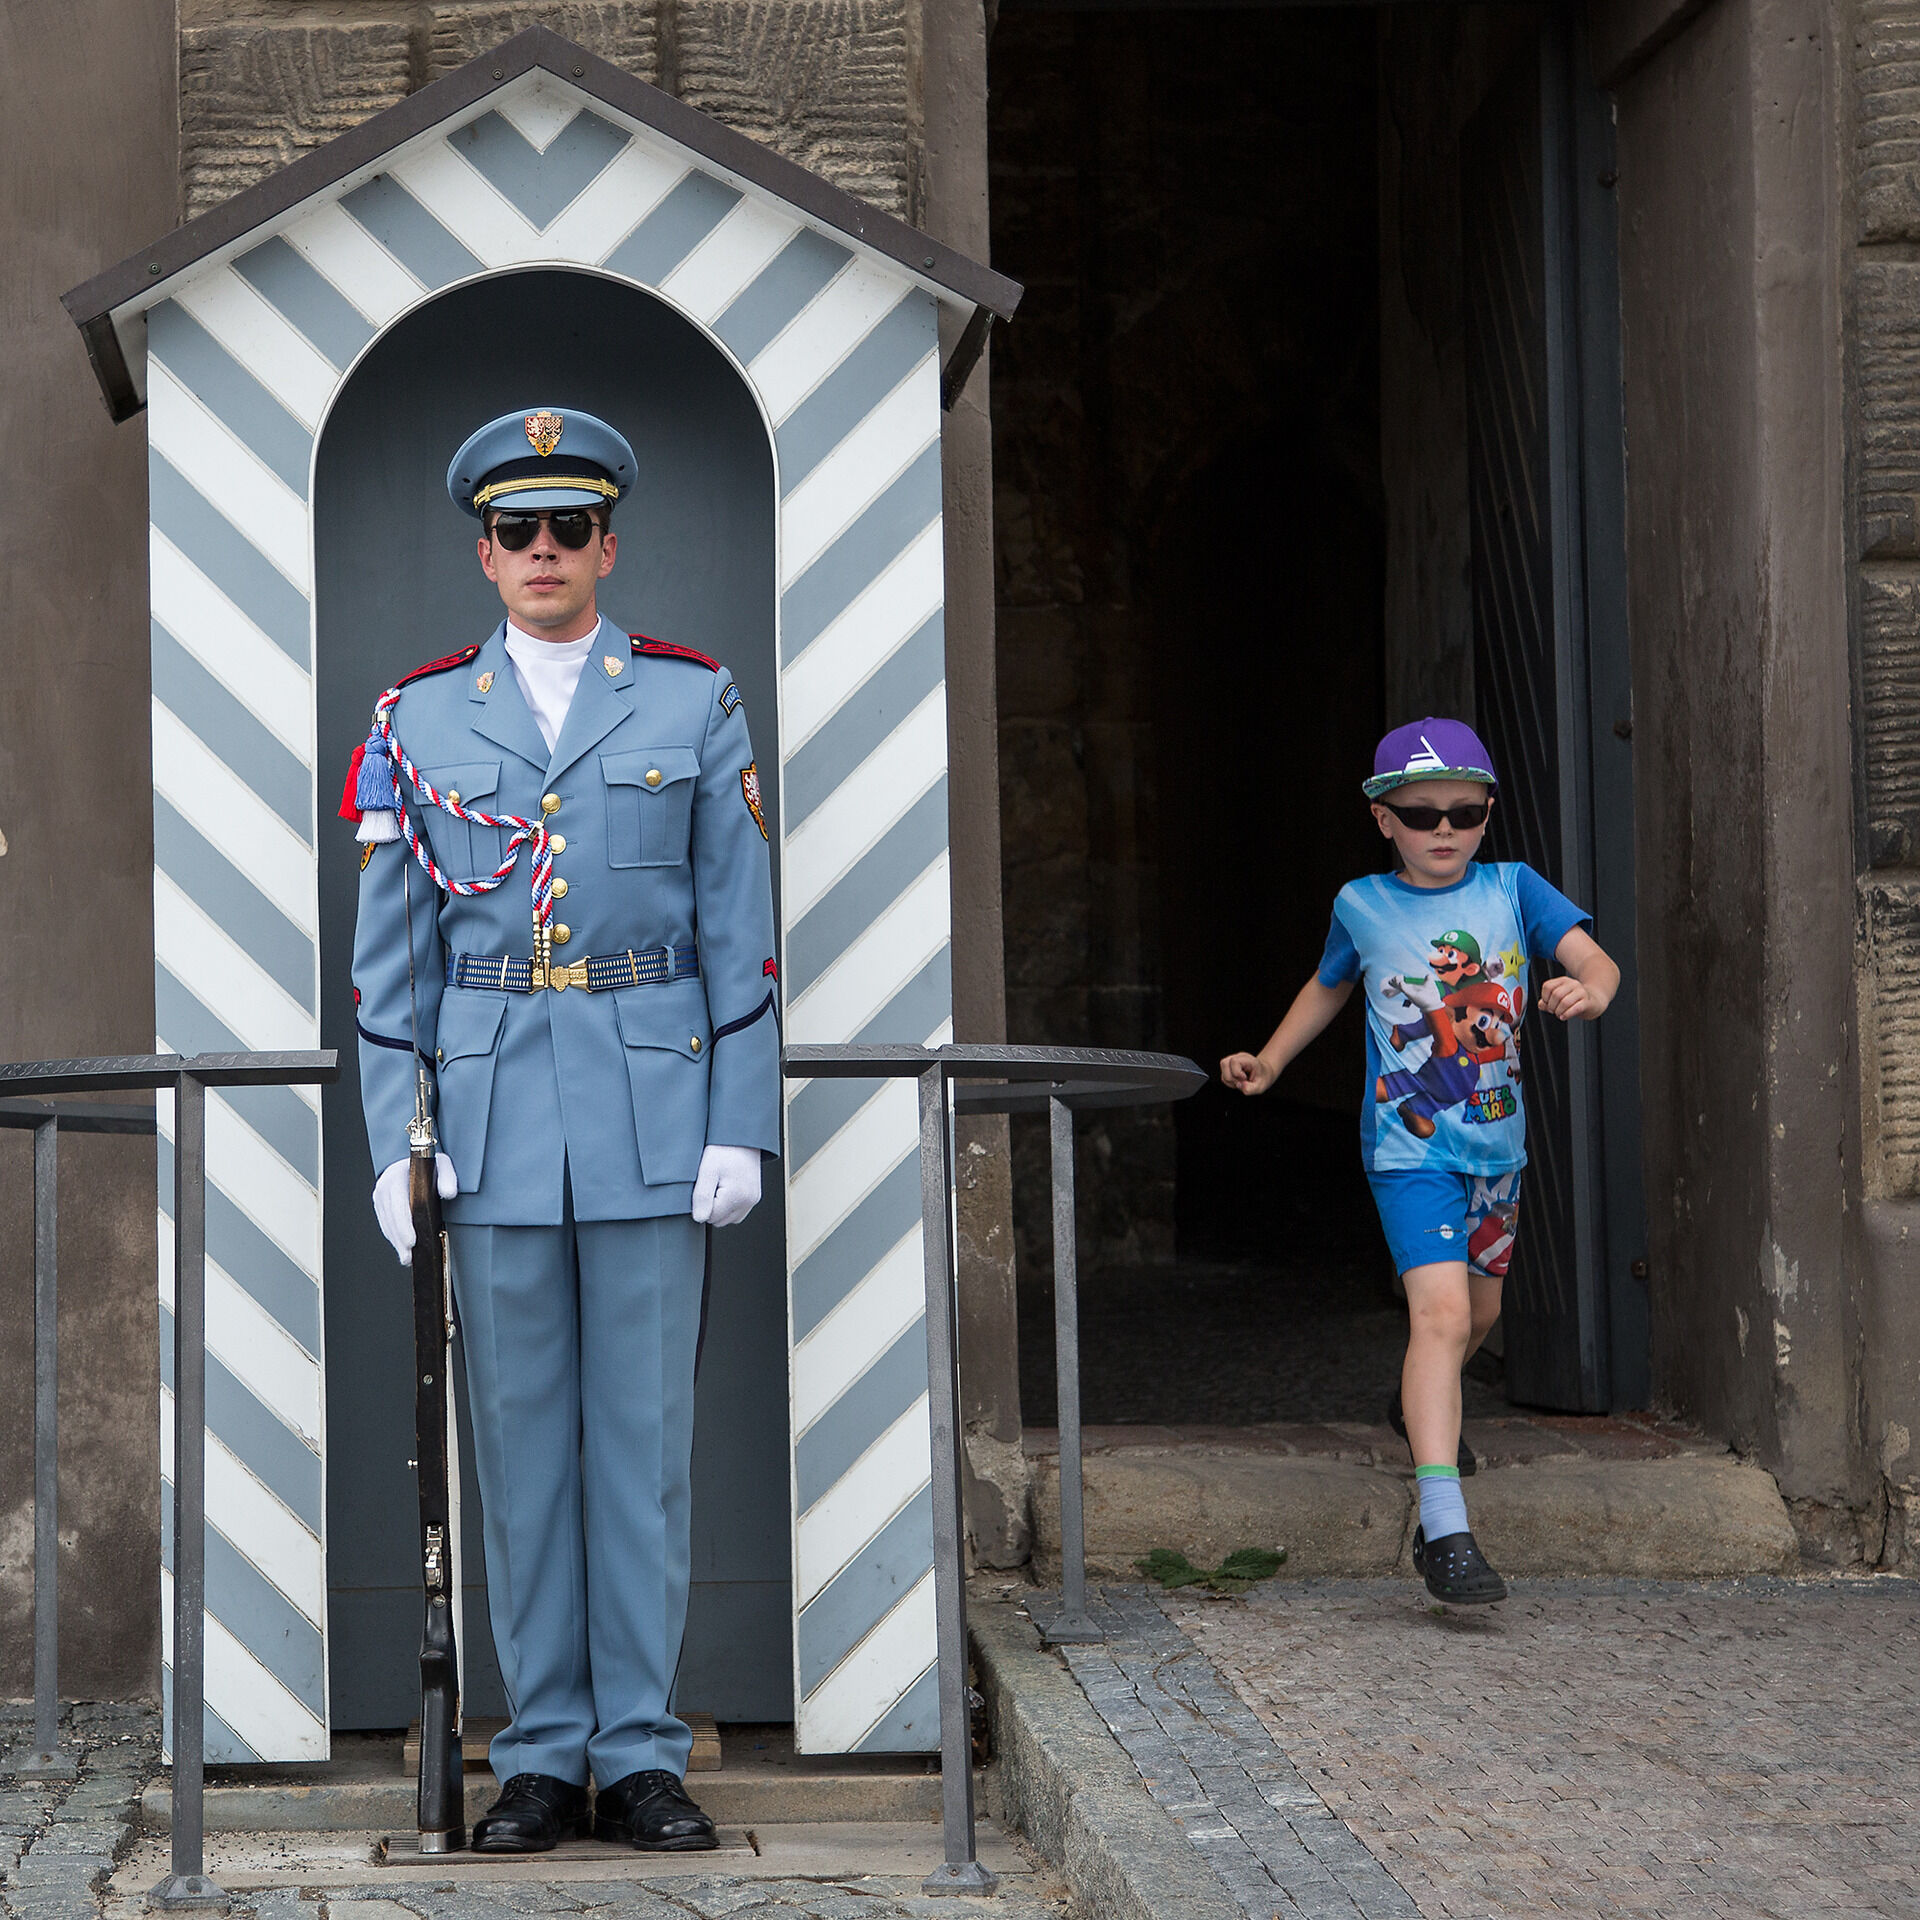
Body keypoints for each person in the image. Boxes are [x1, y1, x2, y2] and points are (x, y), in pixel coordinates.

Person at [342, 406, 780, 1849]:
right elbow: (390, 962)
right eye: (517, 530)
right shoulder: (416, 721)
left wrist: (740, 1117)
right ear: (484, 553)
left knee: (643, 1452)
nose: (543, 550)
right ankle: (538, 1754)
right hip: (490, 1123)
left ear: (608, 545)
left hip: (656, 1113)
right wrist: (394, 1140)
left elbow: (740, 927)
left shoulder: (693, 701)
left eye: (569, 528)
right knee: (520, 1458)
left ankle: (641, 1754)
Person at [1219, 718, 1618, 1605]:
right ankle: (1444, 1530)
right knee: (1439, 1316)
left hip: (1498, 1152)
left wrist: (1588, 990)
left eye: (1464, 813)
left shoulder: (1514, 888)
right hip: (1409, 1149)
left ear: (1487, 815)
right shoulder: (1361, 904)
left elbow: (1596, 959)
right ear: (1383, 818)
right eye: (1421, 813)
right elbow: (1328, 985)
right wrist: (1272, 1062)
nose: (1445, 829)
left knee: (1481, 1314)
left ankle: (1416, 1408)